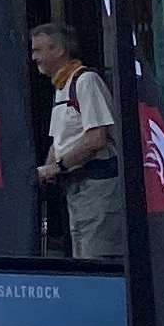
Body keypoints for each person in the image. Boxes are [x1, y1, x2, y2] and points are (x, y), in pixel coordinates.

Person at [32, 25, 122, 263]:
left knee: (98, 261)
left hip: (97, 188)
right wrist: (47, 169)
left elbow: (97, 137)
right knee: (84, 259)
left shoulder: (85, 81)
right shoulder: (62, 87)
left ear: (58, 49)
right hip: (77, 191)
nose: (34, 57)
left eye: (38, 50)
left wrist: (57, 167)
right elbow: (58, 141)